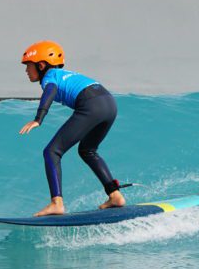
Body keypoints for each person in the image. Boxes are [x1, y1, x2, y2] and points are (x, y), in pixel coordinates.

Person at [18, 40, 125, 217]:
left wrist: (39, 118)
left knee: (51, 152)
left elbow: (50, 92)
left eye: (28, 66)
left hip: (90, 104)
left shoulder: (50, 77)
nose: (26, 70)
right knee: (87, 150)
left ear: (41, 65)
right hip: (109, 104)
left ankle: (56, 203)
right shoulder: (66, 74)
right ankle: (115, 195)